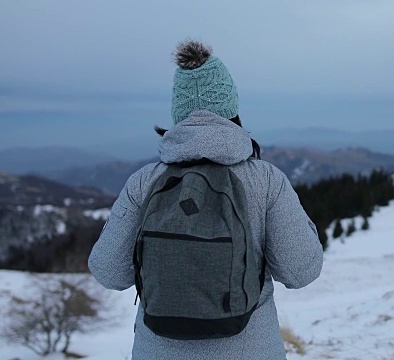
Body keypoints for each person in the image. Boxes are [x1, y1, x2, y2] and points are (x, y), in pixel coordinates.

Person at [88, 39, 323, 360]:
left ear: (177, 115)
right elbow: (301, 271)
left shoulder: (145, 181)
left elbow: (109, 272)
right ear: (232, 111)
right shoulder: (265, 179)